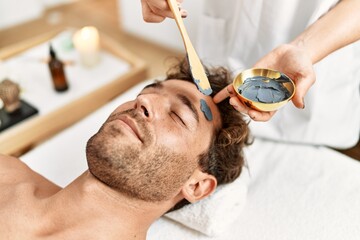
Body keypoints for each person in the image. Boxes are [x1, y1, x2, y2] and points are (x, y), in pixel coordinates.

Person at [0, 59, 251, 239]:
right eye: (145, 92)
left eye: (178, 115)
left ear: (196, 186)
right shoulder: (5, 171)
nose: (143, 100)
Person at [140, 0, 360, 149]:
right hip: (227, 39)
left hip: (322, 59)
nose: (142, 102)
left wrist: (305, 49)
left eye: (179, 116)